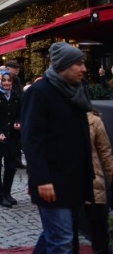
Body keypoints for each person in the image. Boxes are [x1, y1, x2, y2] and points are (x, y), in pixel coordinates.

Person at [21, 42, 94, 253]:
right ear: (64, 65)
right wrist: (42, 178)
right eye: (79, 63)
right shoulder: (39, 92)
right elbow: (31, 140)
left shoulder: (76, 91)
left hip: (74, 180)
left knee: (57, 236)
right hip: (52, 181)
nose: (84, 69)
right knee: (61, 240)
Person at [0, 70, 21, 208]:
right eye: (4, 80)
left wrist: (18, 122)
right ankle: (0, 195)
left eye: (9, 80)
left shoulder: (16, 96)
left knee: (11, 166)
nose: (6, 83)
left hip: (12, 136)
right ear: (0, 81)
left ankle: (7, 192)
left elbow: (20, 113)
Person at [83, 109, 113, 254]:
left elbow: (105, 151)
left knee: (99, 227)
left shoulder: (93, 120)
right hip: (67, 182)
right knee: (64, 232)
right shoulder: (57, 116)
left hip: (93, 181)